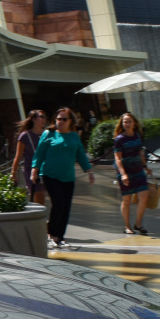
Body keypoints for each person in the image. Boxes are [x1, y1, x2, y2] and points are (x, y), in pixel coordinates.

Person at [33, 107, 94, 249]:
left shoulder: (74, 136)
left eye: (64, 119)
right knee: (58, 203)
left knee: (66, 207)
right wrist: (34, 170)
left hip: (68, 177)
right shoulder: (49, 134)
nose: (60, 121)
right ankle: (52, 234)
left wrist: (89, 171)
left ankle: (60, 236)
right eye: (58, 119)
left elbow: (80, 155)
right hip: (50, 174)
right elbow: (40, 153)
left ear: (70, 121)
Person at [112, 111, 149, 235]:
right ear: (122, 124)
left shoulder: (137, 136)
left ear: (134, 123)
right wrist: (123, 174)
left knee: (144, 196)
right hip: (126, 172)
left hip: (138, 170)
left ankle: (138, 223)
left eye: (129, 121)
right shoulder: (119, 139)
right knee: (126, 200)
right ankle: (127, 226)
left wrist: (145, 166)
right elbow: (117, 158)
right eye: (125, 122)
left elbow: (140, 153)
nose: (127, 123)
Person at [10, 110, 46, 205]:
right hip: (31, 171)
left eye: (45, 117)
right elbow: (18, 156)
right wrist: (13, 173)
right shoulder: (25, 136)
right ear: (34, 119)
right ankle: (40, 219)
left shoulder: (47, 134)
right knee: (39, 198)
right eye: (41, 117)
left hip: (46, 171)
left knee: (43, 199)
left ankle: (38, 218)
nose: (44, 119)